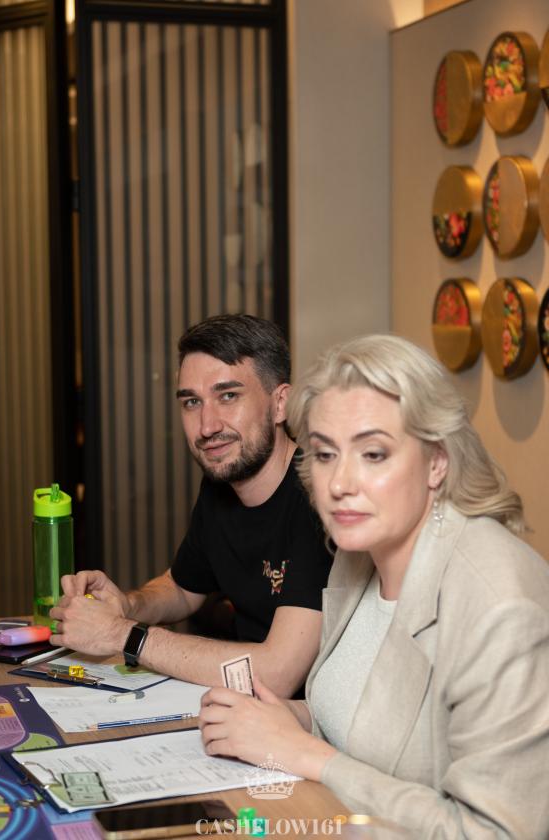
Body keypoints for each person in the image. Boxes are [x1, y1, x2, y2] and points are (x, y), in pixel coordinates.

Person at [199, 334, 549, 838]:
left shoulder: (502, 607)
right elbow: (364, 722)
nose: (340, 483)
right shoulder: (357, 554)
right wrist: (282, 720)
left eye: (374, 454)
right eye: (325, 454)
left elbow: (494, 833)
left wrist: (306, 754)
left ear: (437, 463)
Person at [50, 314, 332, 697]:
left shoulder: (320, 498)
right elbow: (183, 589)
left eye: (228, 396)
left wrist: (121, 634)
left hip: (305, 721)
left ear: (280, 403)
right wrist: (126, 604)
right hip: (242, 708)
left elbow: (277, 674)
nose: (207, 426)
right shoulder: (222, 482)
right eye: (191, 402)